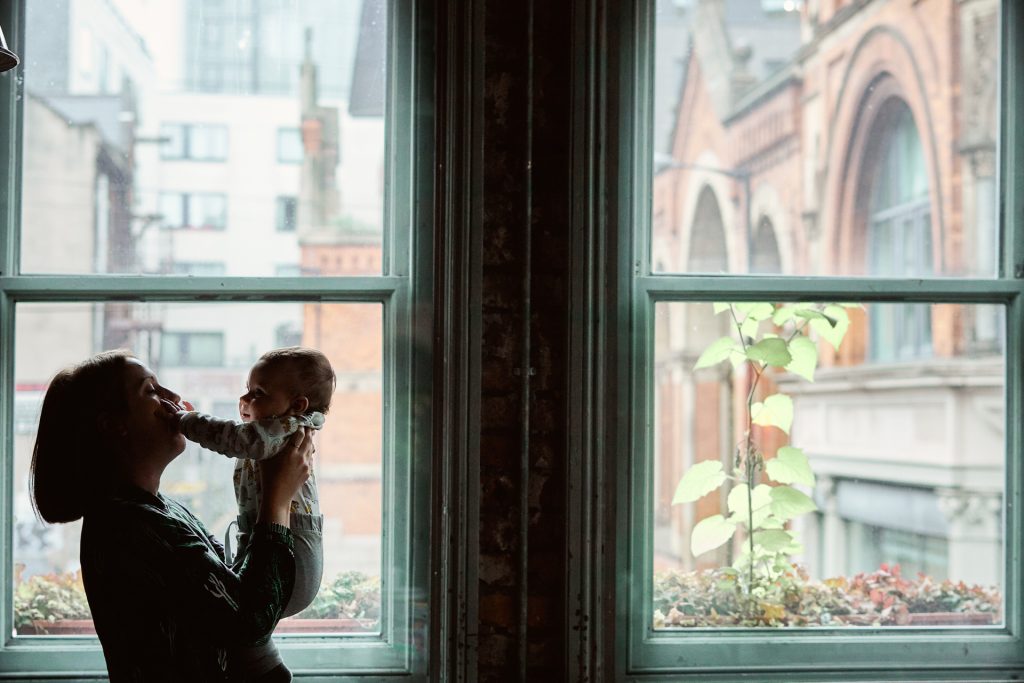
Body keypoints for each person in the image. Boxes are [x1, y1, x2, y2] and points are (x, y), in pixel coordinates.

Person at [30, 350, 312, 682]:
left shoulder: (162, 511)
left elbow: (234, 588)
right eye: (150, 390)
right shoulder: (131, 527)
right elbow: (249, 621)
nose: (173, 399)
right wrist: (277, 500)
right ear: (113, 425)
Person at [164, 347, 333, 680]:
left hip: (295, 552)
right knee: (245, 629)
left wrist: (186, 421)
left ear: (297, 405)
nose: (244, 399)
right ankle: (266, 670)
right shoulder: (286, 428)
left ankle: (264, 669)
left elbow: (237, 441)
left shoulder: (281, 430)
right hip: (287, 547)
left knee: (247, 617)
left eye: (258, 393)